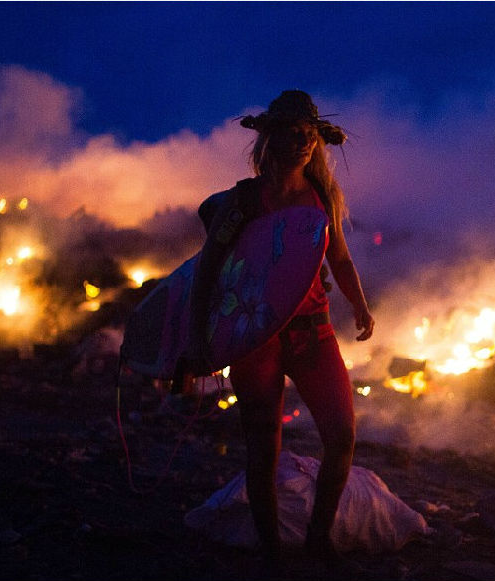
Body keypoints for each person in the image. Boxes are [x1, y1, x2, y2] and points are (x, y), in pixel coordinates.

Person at [187, 90, 374, 575]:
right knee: (263, 442)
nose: (304, 142)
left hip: (314, 333)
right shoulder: (247, 200)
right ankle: (272, 551)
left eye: (310, 134)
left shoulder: (322, 197)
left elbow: (340, 259)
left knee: (342, 435)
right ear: (269, 139)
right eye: (292, 133)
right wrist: (198, 337)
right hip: (256, 336)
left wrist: (359, 305)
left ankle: (317, 540)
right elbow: (209, 269)